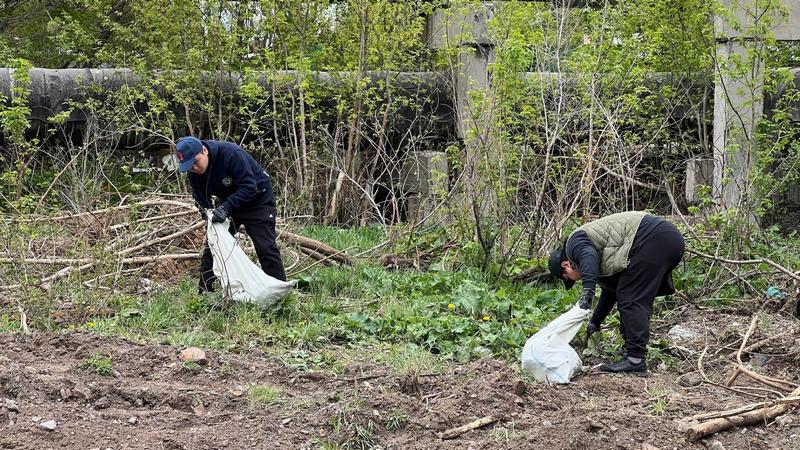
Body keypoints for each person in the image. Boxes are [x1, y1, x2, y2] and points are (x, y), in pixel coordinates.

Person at [547, 211, 685, 376]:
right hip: (664, 239)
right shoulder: (603, 258)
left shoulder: (574, 244)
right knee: (627, 293)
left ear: (566, 265)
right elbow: (610, 293)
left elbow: (588, 256)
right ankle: (631, 352)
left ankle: (635, 360)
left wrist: (587, 294)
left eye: (569, 278)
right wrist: (594, 323)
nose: (574, 280)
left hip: (653, 237)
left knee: (631, 297)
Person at [175, 136, 286, 293]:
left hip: (257, 200)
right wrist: (207, 213)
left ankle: (280, 293)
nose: (194, 168)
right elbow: (200, 197)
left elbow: (249, 187)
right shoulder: (193, 171)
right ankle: (204, 295)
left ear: (204, 151)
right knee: (214, 246)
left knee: (266, 248)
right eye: (189, 166)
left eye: (195, 162)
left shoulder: (231, 154)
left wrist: (225, 208)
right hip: (228, 201)